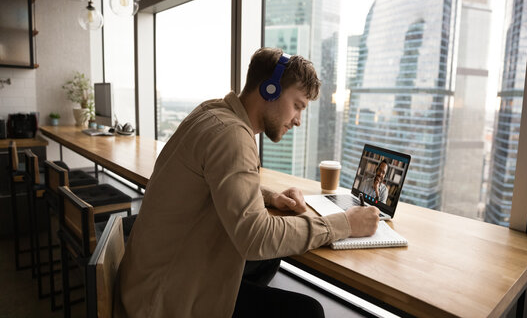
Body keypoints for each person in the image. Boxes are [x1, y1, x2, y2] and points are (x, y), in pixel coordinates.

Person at [114, 47, 380, 318]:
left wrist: (267, 196)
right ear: (270, 90)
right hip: (161, 301)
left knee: (268, 260)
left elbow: (210, 178)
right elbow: (256, 238)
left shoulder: (212, 111)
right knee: (308, 311)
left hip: (149, 276)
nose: (298, 120)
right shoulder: (233, 137)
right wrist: (345, 224)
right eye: (297, 105)